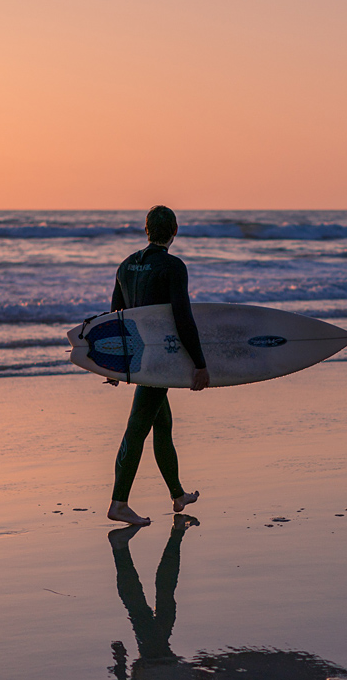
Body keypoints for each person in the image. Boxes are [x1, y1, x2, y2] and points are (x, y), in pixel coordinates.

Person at [106, 205, 208, 526]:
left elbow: (115, 319)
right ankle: (119, 503)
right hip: (159, 361)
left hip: (138, 358)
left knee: (161, 424)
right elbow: (183, 318)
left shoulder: (125, 267)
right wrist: (199, 364)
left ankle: (177, 495)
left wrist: (115, 365)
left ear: (146, 230)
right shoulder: (173, 267)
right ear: (174, 231)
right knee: (137, 428)